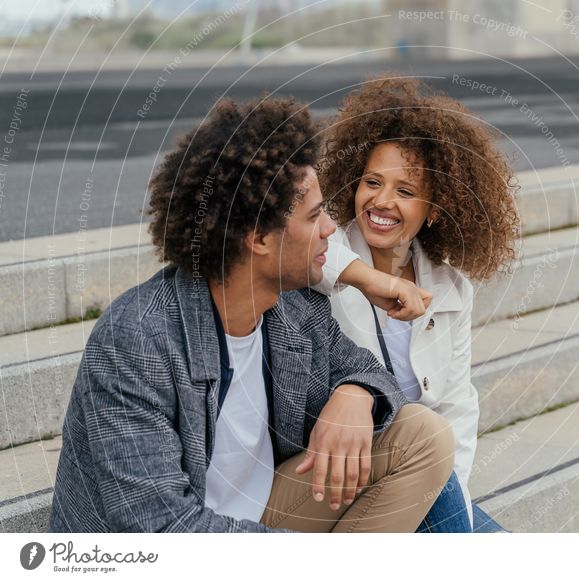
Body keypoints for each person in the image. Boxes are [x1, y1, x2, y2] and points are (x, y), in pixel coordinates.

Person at [48, 94, 454, 533]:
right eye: (314, 216)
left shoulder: (294, 307)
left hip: (263, 511)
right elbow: (163, 529)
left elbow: (370, 371)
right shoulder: (138, 340)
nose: (330, 229)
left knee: (421, 437)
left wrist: (356, 394)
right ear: (259, 237)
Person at [315, 75, 520, 532]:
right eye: (371, 182)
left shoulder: (451, 288)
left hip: (426, 477)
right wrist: (365, 277)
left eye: (405, 192)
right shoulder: (327, 252)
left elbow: (457, 408)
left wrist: (455, 506)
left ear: (436, 209)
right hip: (346, 477)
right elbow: (311, 255)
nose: (381, 201)